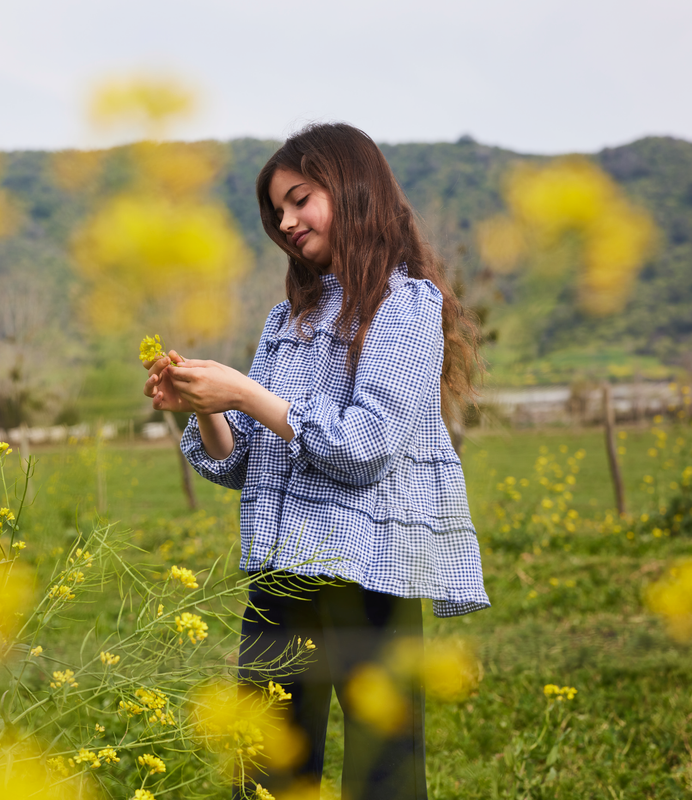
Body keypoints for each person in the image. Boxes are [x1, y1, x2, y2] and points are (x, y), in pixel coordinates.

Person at [143, 123, 490, 800]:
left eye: (300, 199)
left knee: (381, 778)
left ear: (353, 188)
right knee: (264, 772)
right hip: (282, 577)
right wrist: (204, 403)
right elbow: (239, 460)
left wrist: (244, 390)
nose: (286, 221)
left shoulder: (405, 304)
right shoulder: (286, 319)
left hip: (370, 573)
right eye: (277, 210)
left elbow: (365, 447)